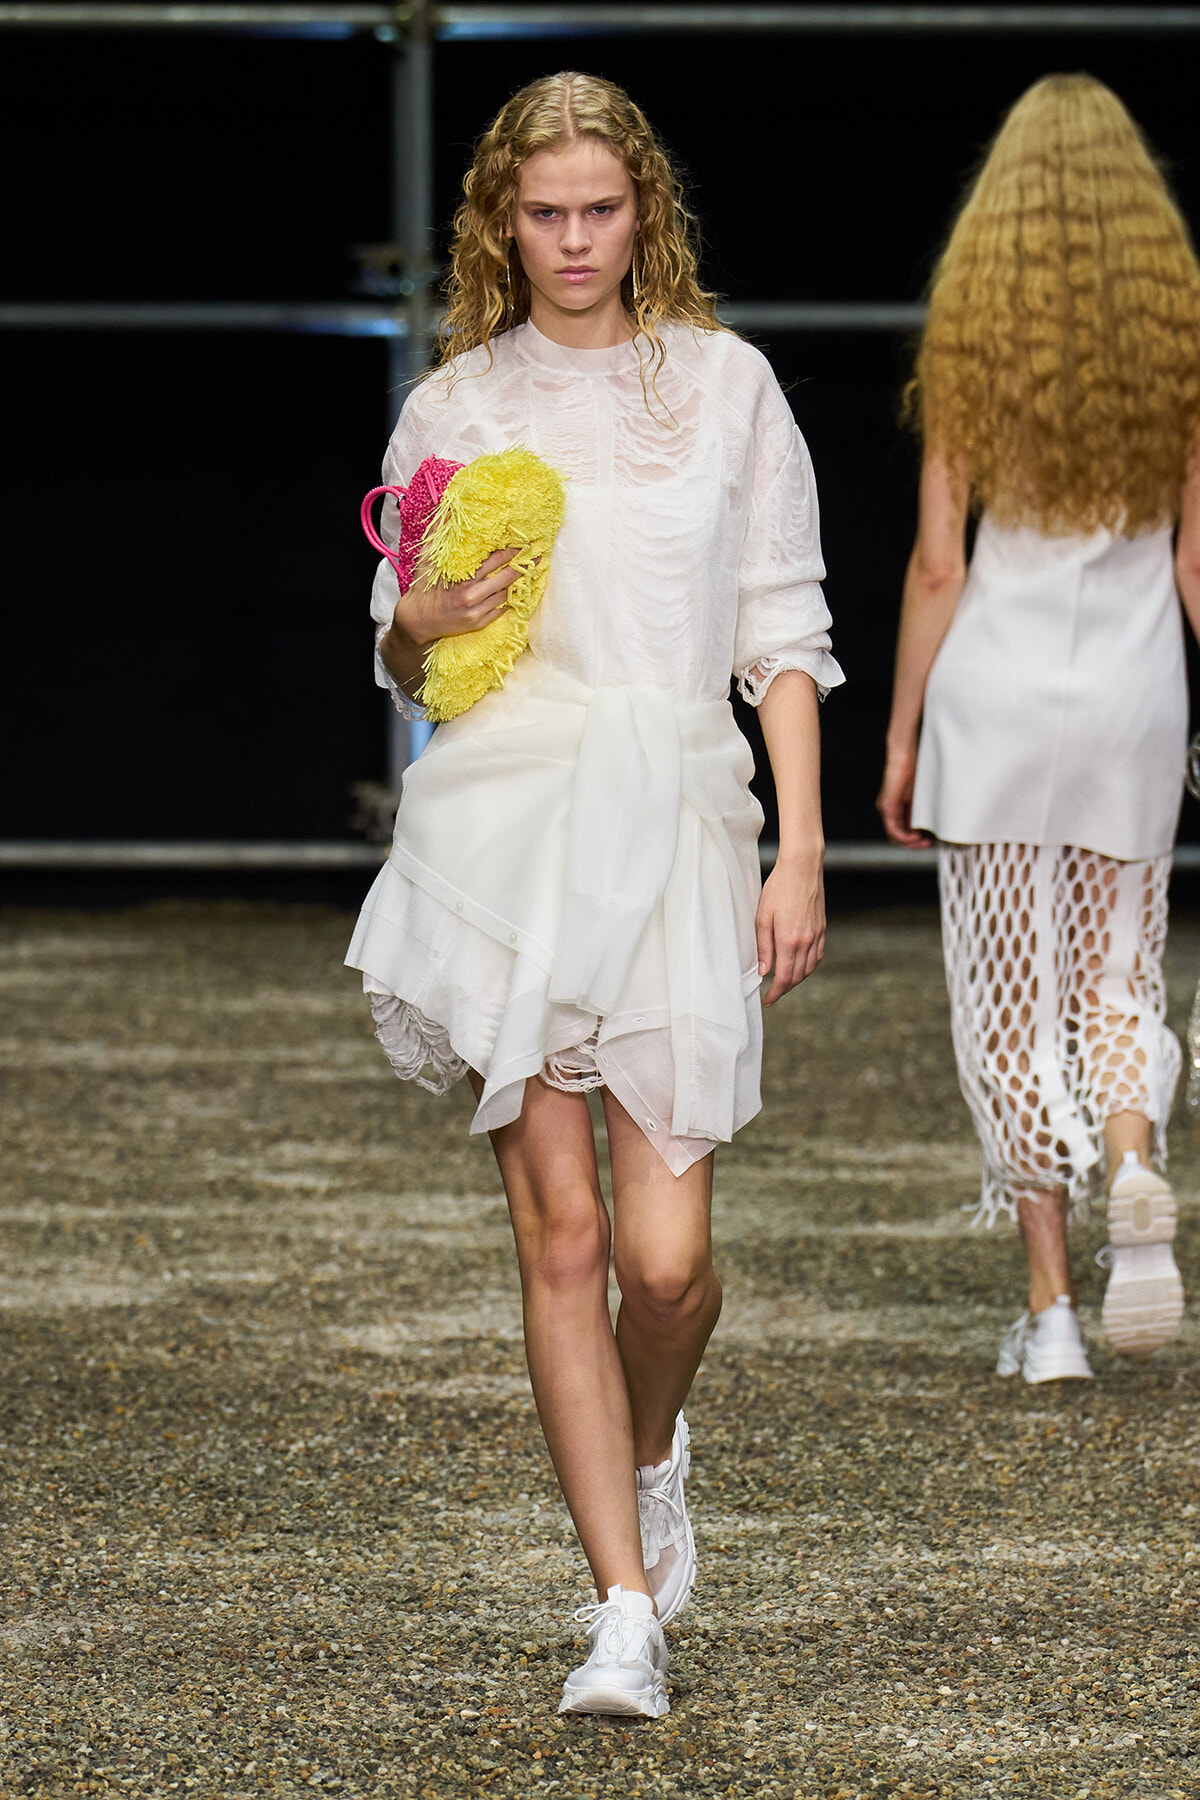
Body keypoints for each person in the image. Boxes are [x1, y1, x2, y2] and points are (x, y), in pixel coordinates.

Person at [346, 71, 842, 1715]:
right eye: (545, 213)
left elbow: (782, 628)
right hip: (514, 827)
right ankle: (621, 1608)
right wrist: (420, 622)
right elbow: (408, 658)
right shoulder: (452, 409)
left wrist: (801, 848)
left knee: (671, 1265)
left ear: (646, 214)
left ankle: (649, 1447)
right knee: (563, 1236)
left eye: (601, 210)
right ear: (502, 220)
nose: (574, 240)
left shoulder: (724, 385)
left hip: (682, 822)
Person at [878, 74, 1200, 1384]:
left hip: (997, 703)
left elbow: (938, 566)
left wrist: (901, 736)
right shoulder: (1180, 342)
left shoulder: (973, 342)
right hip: (1133, 702)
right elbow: (1196, 567)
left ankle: (1053, 1312)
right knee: (1116, 982)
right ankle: (1128, 1162)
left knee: (1012, 1006)